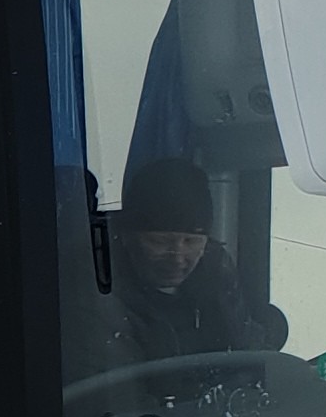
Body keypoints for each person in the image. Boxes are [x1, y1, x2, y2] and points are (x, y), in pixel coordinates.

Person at [106, 154, 281, 359]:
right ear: (127, 237)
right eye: (160, 242)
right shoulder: (102, 294)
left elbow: (247, 347)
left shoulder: (216, 274)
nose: (177, 258)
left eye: (191, 242)